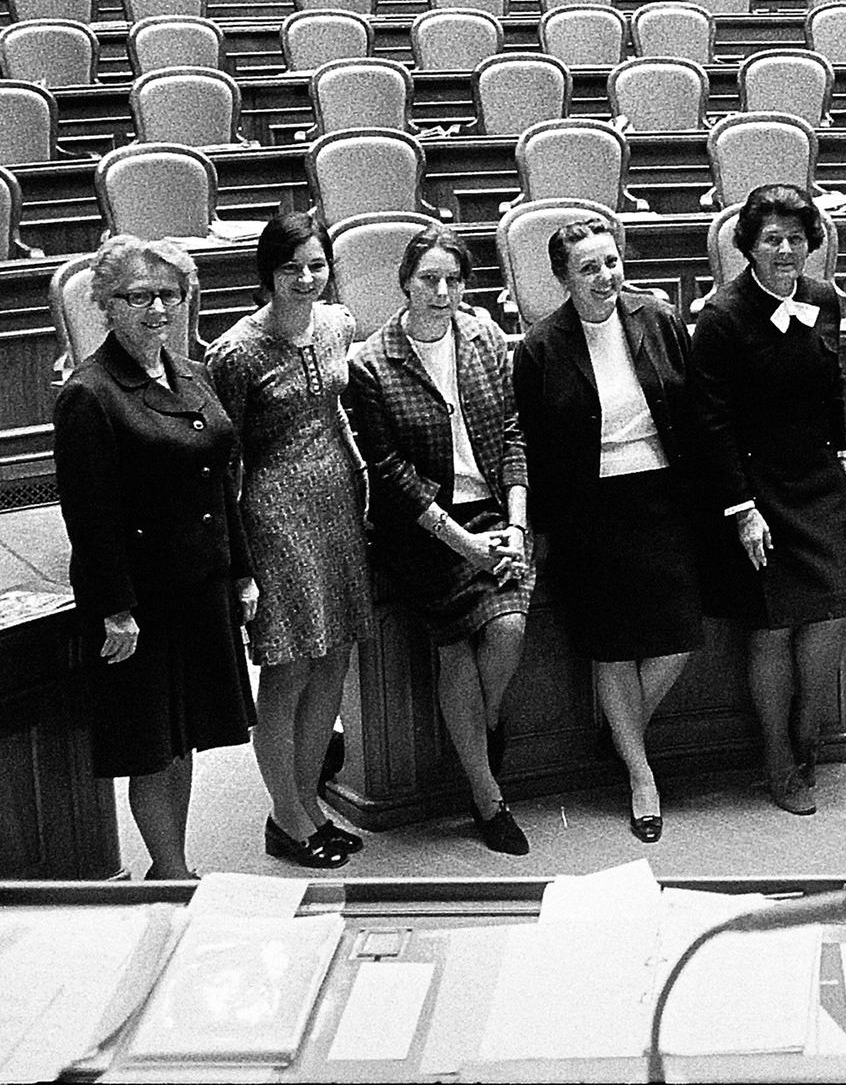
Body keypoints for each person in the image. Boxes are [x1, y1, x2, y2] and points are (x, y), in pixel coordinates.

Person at [54, 235, 256, 882]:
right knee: (151, 745)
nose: (157, 308)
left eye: (170, 293)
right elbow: (91, 517)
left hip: (203, 585)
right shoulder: (91, 393)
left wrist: (244, 569)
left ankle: (176, 866)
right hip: (144, 598)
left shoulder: (190, 371)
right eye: (138, 296)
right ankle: (170, 873)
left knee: (186, 734)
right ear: (105, 305)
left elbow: (224, 483)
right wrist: (115, 609)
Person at [511, 209, 706, 844]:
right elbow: (534, 447)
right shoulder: (541, 347)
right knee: (613, 645)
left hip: (663, 495)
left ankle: (620, 733)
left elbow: (691, 408)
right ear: (562, 278)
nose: (604, 277)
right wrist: (541, 529)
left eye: (611, 262)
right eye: (588, 268)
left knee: (678, 634)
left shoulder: (657, 319)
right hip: (590, 511)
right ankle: (641, 774)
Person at [344, 227, 535, 856]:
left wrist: (516, 520)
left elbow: (512, 433)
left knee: (507, 629)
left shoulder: (485, 337)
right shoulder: (372, 362)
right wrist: (465, 545)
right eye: (429, 279)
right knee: (456, 648)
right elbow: (391, 474)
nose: (443, 291)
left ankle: (486, 719)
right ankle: (487, 796)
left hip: (496, 516)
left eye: (453, 279)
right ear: (404, 283)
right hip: (425, 531)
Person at [690, 185, 846, 816]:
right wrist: (741, 509)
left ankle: (807, 738)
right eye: (772, 239)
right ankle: (775, 757)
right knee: (772, 630)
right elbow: (710, 426)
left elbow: (832, 394)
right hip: (757, 491)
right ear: (747, 246)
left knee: (829, 616)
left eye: (797, 238)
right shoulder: (720, 318)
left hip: (817, 482)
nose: (787, 250)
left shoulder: (824, 300)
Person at [205, 211, 374, 872]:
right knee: (289, 664)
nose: (305, 278)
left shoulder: (337, 324)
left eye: (316, 264)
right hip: (274, 513)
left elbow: (339, 410)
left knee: (333, 657)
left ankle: (306, 801)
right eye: (291, 268)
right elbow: (224, 459)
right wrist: (236, 559)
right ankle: (284, 815)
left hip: (337, 505)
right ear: (266, 274)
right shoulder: (237, 351)